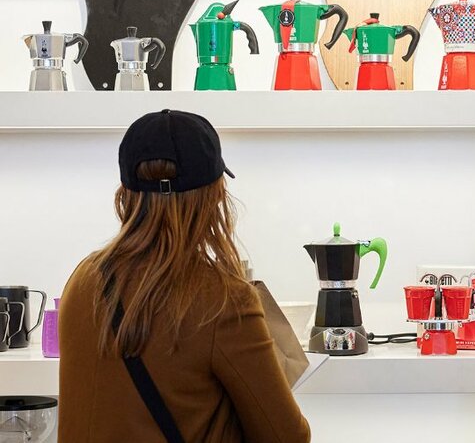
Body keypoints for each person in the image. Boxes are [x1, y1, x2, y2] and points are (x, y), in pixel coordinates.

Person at [59, 109, 310, 442]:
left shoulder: (84, 279)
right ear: (214, 195)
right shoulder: (222, 299)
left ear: (126, 192)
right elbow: (287, 436)